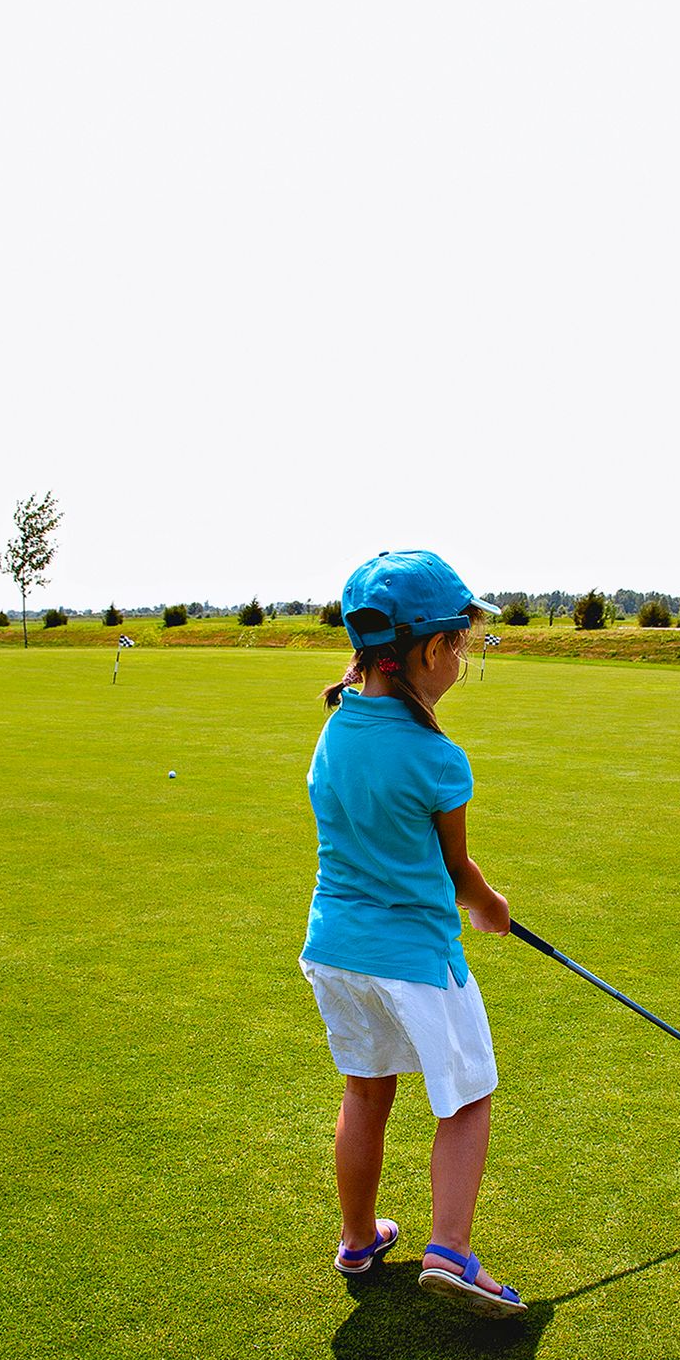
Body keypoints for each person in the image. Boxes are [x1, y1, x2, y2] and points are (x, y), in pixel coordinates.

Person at [301, 551, 523, 1316]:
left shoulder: (334, 731)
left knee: (365, 1091)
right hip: (417, 960)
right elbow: (456, 870)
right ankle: (451, 1250)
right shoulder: (438, 757)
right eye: (461, 643)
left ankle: (359, 1239)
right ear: (431, 651)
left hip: (334, 952)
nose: (463, 657)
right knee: (466, 1099)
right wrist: (492, 905)